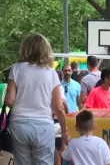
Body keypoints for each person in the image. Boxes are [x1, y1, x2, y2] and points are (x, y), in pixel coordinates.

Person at [4, 33, 68, 165]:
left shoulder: (16, 68)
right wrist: (65, 130)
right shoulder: (51, 74)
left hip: (19, 125)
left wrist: (23, 105)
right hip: (43, 125)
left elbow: (8, 100)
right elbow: (59, 107)